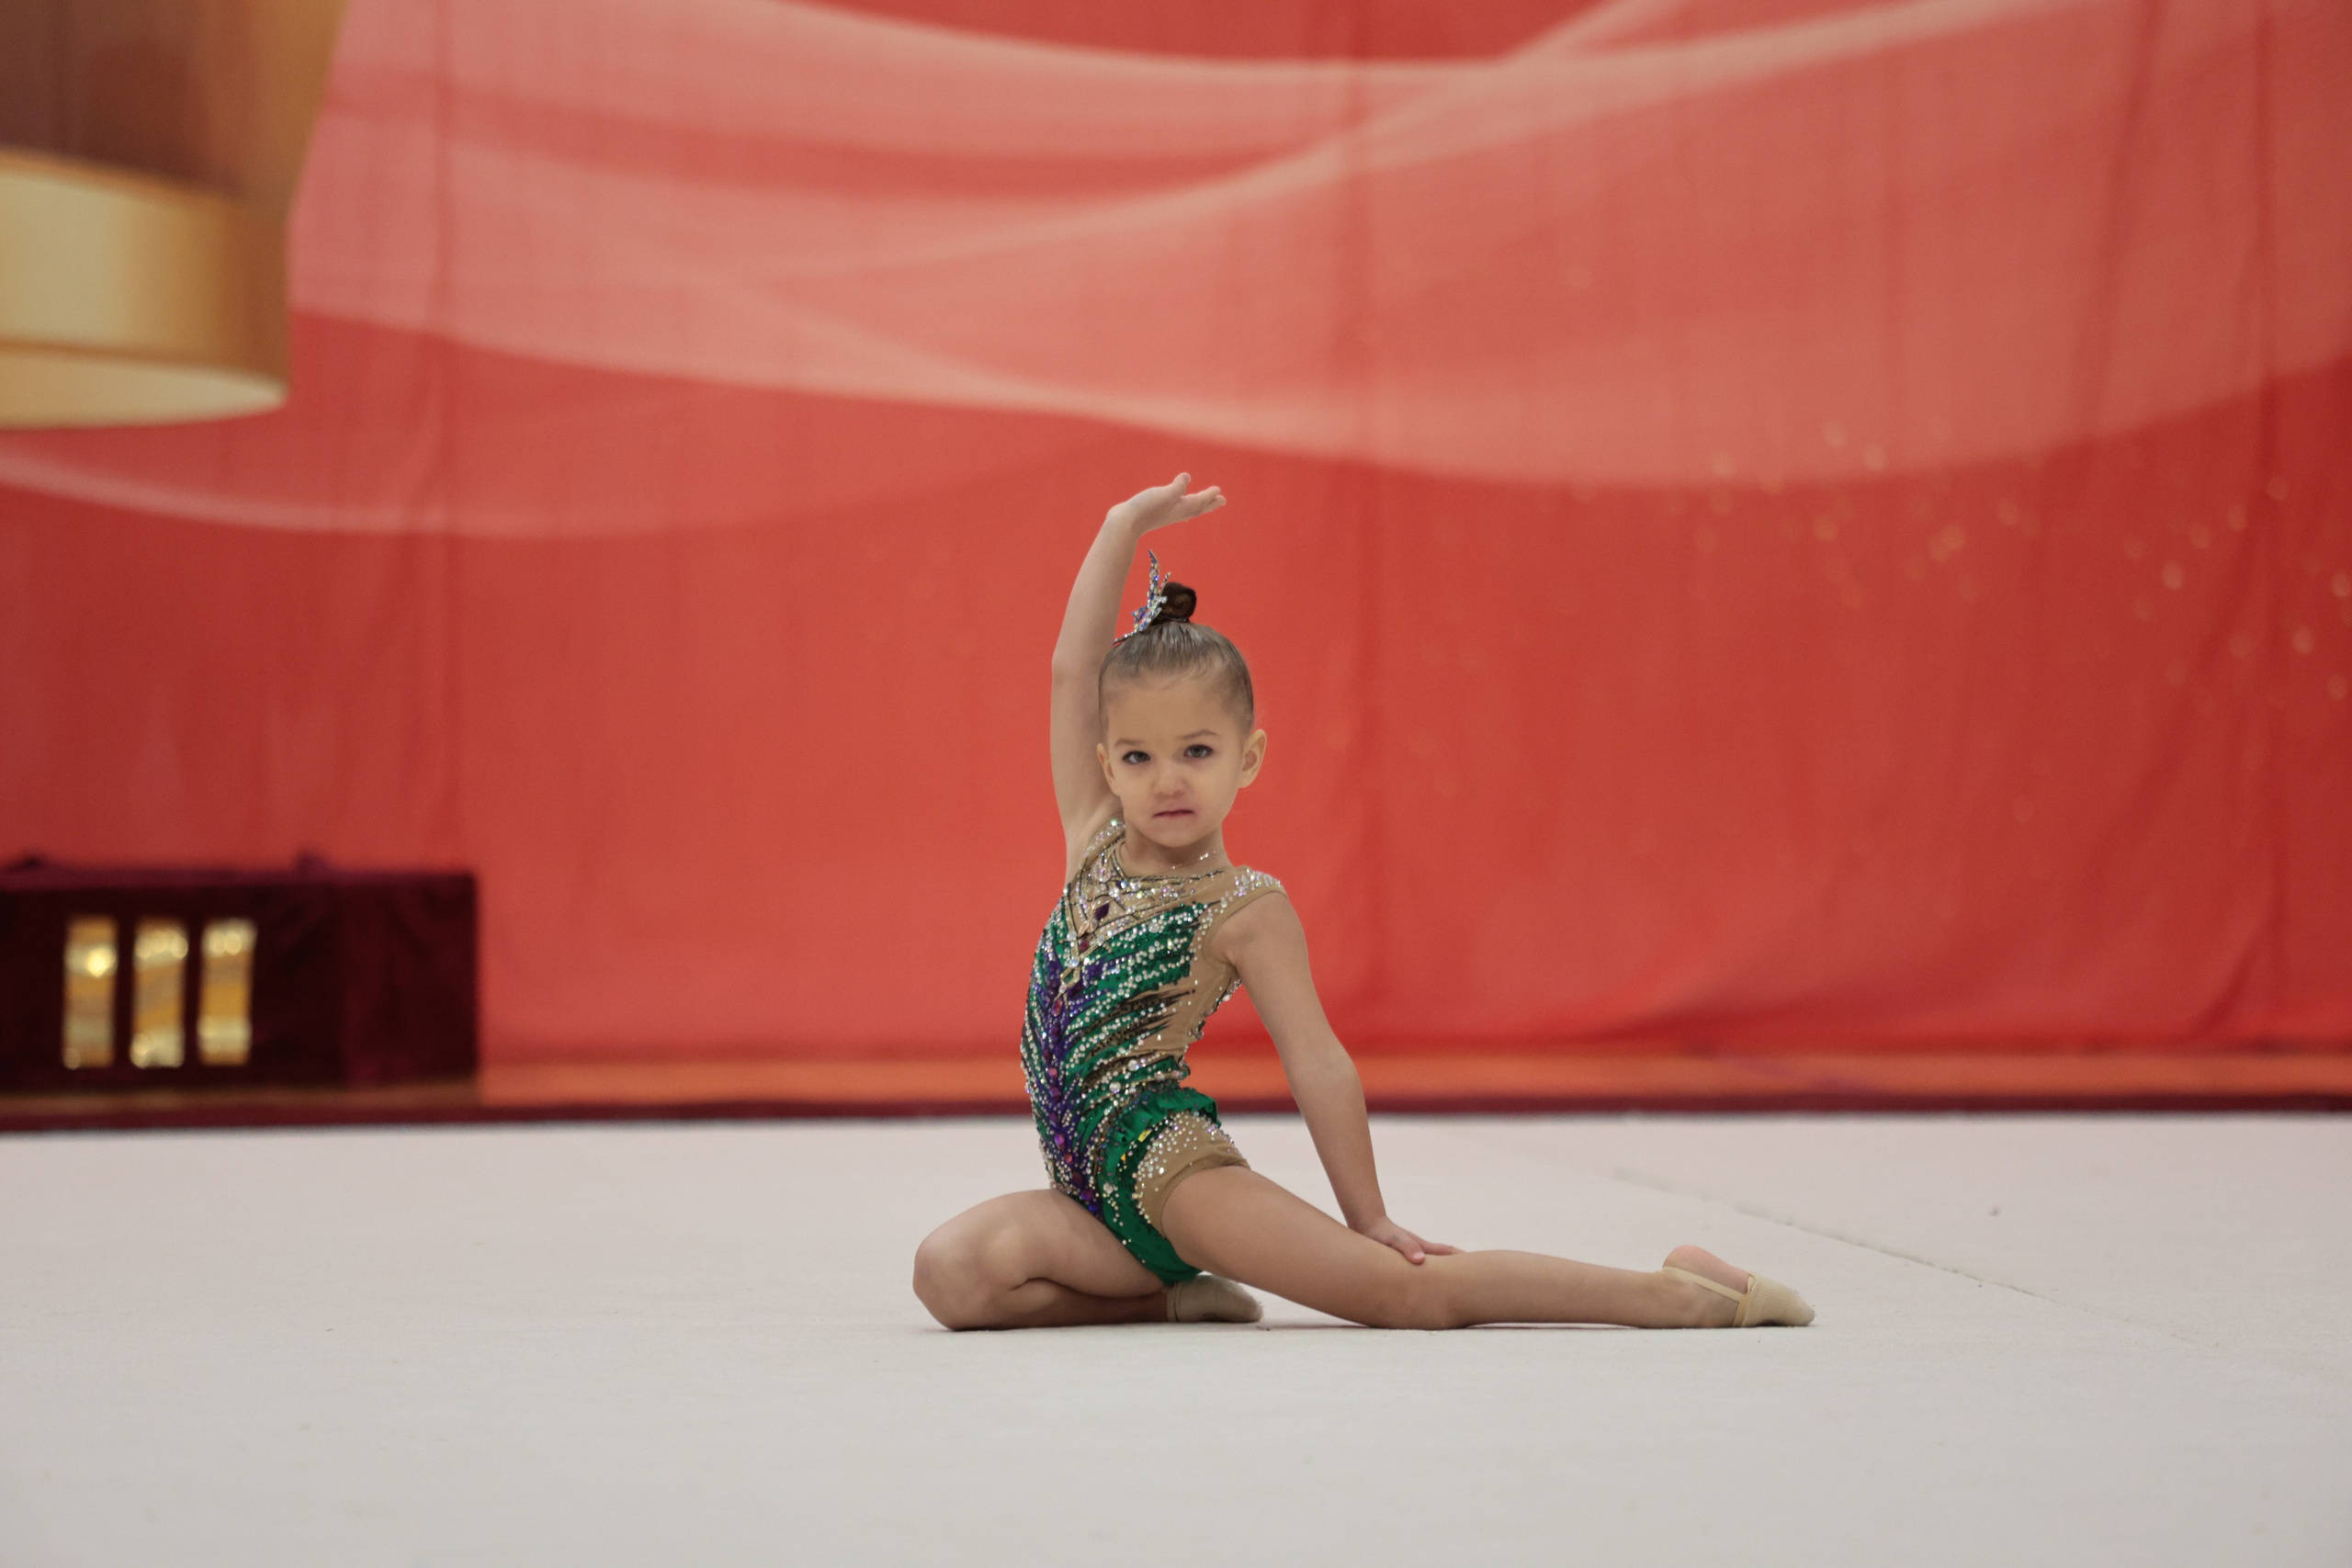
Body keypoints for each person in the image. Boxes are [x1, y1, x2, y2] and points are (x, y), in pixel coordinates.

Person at [911, 475, 1815, 1332]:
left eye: (1196, 751)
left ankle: (1682, 1292)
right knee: (948, 1273)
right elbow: (1075, 674)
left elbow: (1319, 1064)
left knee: (1403, 1297)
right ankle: (1171, 1303)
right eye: (1139, 758)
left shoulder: (1244, 906)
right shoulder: (1093, 839)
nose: (1167, 779)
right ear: (1107, 765)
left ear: (1247, 760)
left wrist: (1368, 1216)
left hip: (1169, 1176)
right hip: (1084, 1193)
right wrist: (1119, 529)